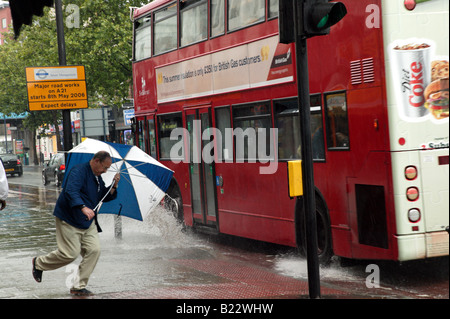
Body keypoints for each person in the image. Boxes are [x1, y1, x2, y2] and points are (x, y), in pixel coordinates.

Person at [32, 151, 120, 296]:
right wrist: (83, 207)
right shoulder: (78, 171)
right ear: (96, 161)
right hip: (70, 218)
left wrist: (114, 185)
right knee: (70, 254)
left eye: (107, 169)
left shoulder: (98, 178)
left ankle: (78, 286)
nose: (105, 171)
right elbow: (70, 191)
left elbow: (102, 196)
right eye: (104, 167)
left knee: (94, 250)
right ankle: (38, 263)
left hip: (87, 221)